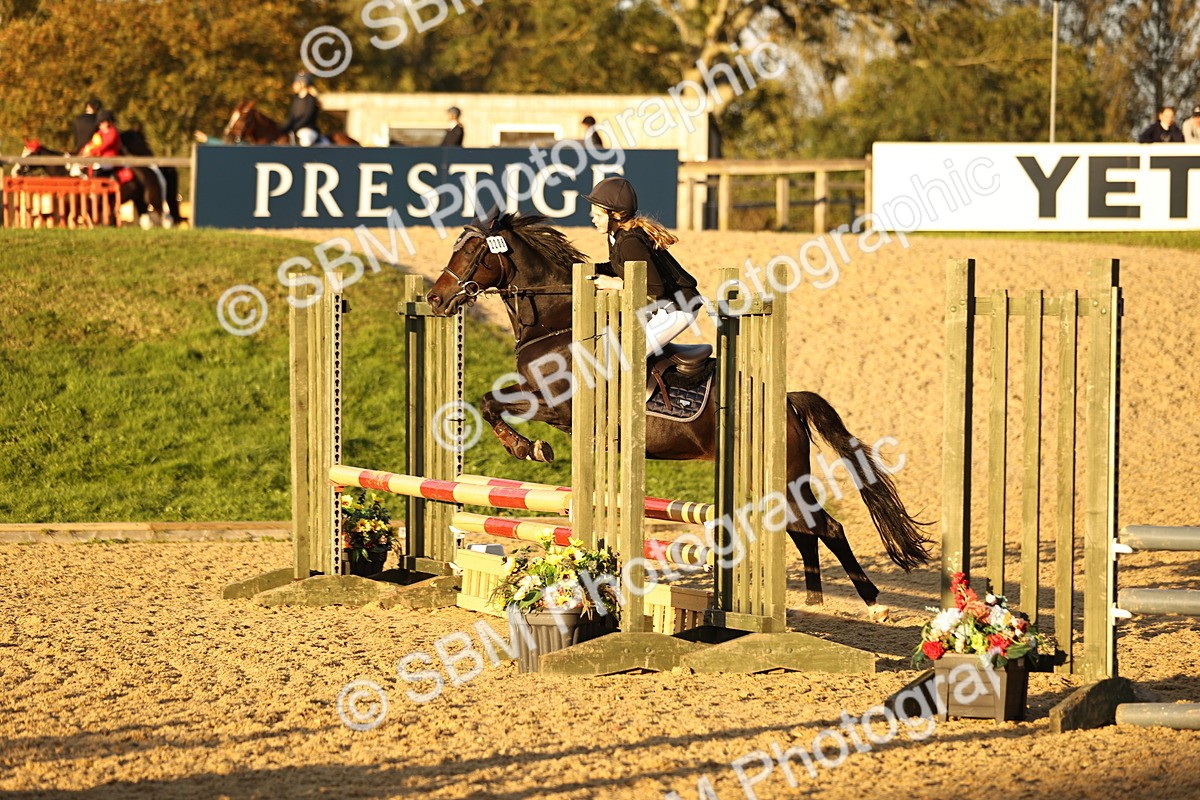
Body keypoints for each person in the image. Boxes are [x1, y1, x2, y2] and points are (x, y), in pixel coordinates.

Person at [584, 176, 701, 355]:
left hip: (679, 308)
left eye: (598, 215)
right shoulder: (616, 235)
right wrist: (585, 268)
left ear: (615, 215)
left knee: (630, 356)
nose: (593, 219)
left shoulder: (630, 241)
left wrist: (614, 284)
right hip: (661, 307)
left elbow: (656, 288)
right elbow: (619, 266)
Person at [281, 72, 322, 146]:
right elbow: (291, 116)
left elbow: (307, 117)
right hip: (295, 129)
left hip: (307, 129)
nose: (293, 85)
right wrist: (284, 129)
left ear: (302, 84)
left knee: (306, 141)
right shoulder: (296, 99)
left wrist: (294, 127)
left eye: (296, 83)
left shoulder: (311, 99)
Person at [77, 109, 121, 178]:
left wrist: (91, 152)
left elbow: (105, 145)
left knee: (97, 166)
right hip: (99, 157)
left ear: (107, 122)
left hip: (109, 159)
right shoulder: (100, 132)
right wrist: (84, 150)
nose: (100, 126)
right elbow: (92, 142)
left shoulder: (113, 132)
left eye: (101, 123)